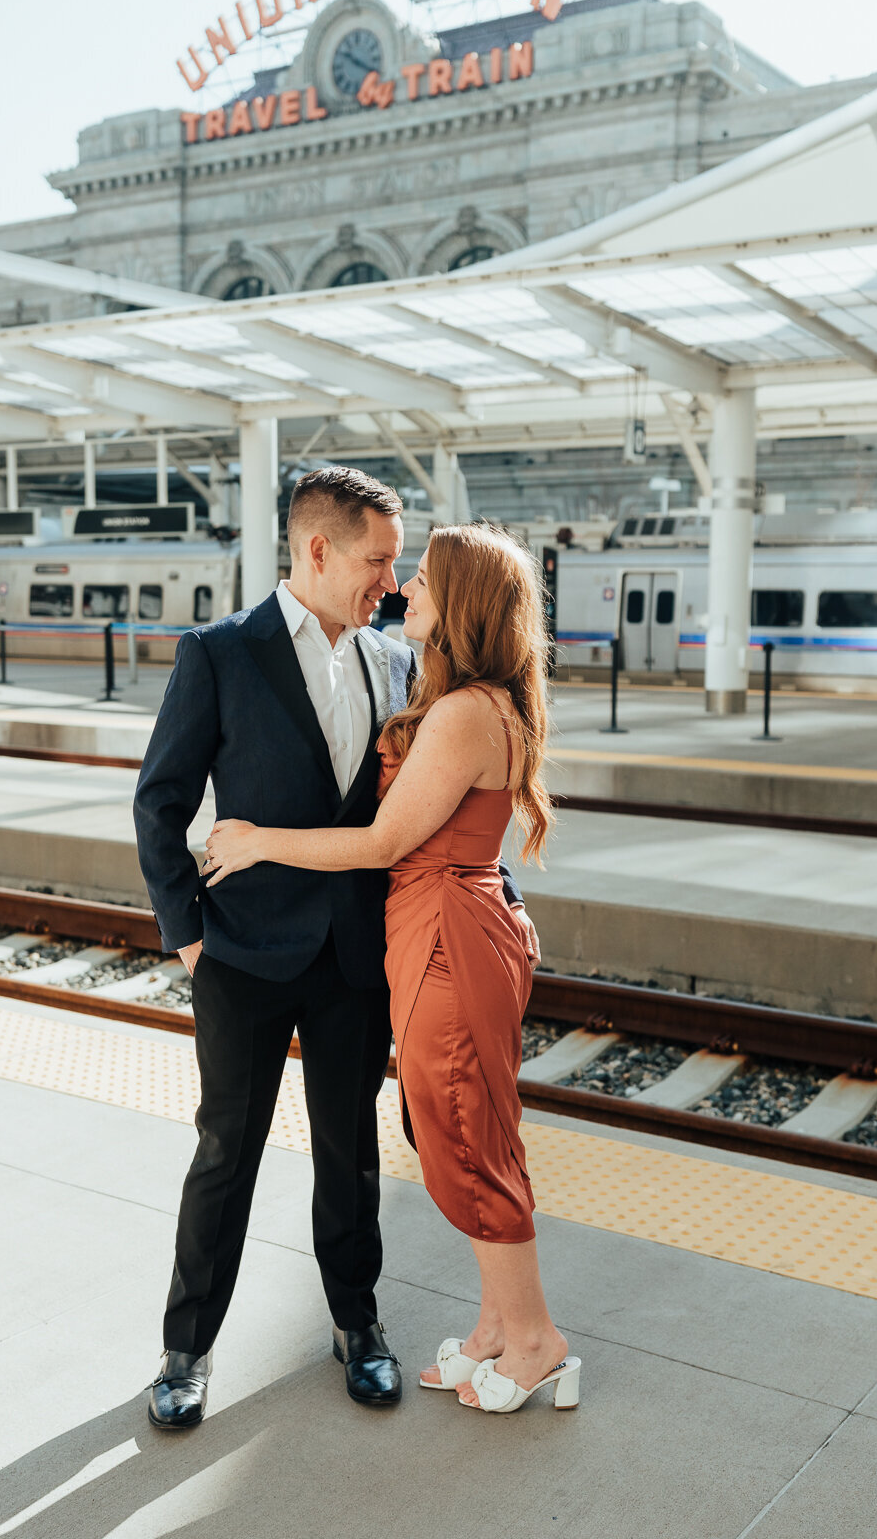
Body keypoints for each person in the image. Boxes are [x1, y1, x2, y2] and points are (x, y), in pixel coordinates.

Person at [132, 470, 539, 1428]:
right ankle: (185, 1348)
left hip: (359, 957)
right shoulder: (219, 653)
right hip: (241, 957)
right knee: (225, 1150)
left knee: (350, 1152)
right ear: (317, 550)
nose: (390, 586)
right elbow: (159, 804)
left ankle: (359, 1328)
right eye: (377, 562)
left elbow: (430, 819)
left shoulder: (400, 664)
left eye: (400, 569)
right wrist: (187, 938)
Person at [206, 524, 579, 1416]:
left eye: (423, 575)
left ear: (464, 602)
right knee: (462, 1123)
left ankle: (535, 1342)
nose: (405, 586)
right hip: (445, 923)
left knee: (461, 1134)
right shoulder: (473, 700)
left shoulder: (461, 714)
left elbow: (382, 841)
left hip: (448, 929)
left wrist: (258, 843)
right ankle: (496, 1327)